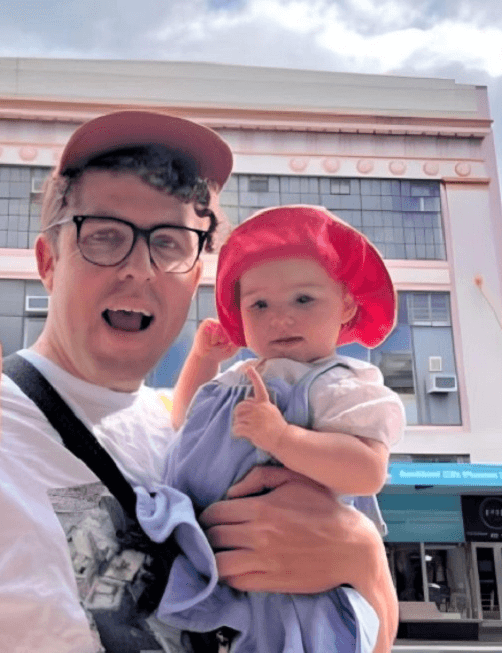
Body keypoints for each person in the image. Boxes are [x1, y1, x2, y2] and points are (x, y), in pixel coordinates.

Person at [0, 111, 398, 653]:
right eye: (104, 238)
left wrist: (364, 560)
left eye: (170, 244)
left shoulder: (186, 439)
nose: (138, 270)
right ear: (48, 261)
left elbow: (364, 627)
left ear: (198, 273)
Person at [134, 205, 405, 651]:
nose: (280, 317)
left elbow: (366, 471)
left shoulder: (340, 385)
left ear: (347, 305)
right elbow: (187, 422)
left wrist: (281, 438)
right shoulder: (237, 378)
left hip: (300, 580)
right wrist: (203, 360)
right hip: (212, 557)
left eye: (303, 299)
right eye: (259, 304)